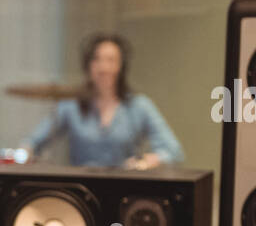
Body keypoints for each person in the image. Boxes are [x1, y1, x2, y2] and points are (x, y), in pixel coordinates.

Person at [29, 33, 184, 168]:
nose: (103, 67)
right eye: (97, 59)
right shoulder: (71, 105)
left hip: (124, 188)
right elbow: (34, 142)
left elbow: (173, 151)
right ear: (88, 65)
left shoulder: (139, 105)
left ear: (121, 66)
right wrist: (23, 153)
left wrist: (146, 161)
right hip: (80, 189)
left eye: (111, 60)